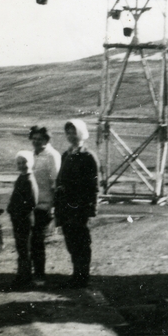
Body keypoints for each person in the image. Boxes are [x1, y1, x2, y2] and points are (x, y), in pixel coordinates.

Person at [53, 119, 99, 288]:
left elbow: (94, 185)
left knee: (81, 242)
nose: (71, 135)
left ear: (81, 133)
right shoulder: (66, 154)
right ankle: (76, 273)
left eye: (74, 132)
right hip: (66, 207)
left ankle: (83, 276)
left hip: (80, 207)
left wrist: (90, 209)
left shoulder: (88, 156)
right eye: (68, 132)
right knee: (71, 241)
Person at [27, 125, 61, 287]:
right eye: (33, 139)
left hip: (44, 205)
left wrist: (53, 207)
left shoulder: (52, 156)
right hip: (30, 206)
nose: (36, 142)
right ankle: (29, 273)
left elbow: (55, 183)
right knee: (30, 241)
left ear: (46, 140)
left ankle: (39, 275)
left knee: (37, 241)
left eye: (39, 139)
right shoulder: (31, 155)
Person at [6, 150, 39, 288]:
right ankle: (22, 275)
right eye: (19, 163)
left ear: (30, 163)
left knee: (24, 249)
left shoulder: (29, 180)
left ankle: (25, 278)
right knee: (21, 248)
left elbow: (31, 202)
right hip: (18, 218)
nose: (21, 165)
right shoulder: (22, 178)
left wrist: (18, 212)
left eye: (24, 162)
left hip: (24, 219)